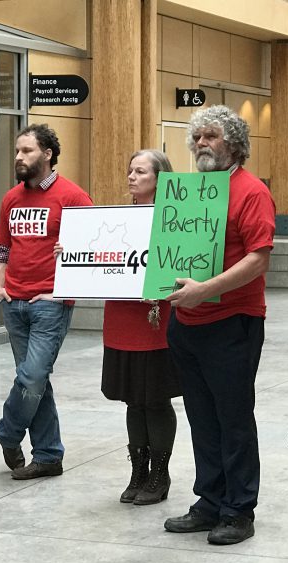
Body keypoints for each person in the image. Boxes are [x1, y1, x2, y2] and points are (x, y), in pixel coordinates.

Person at [162, 105, 276, 545]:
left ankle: (238, 509)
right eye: (198, 137)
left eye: (211, 136)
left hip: (232, 322)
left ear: (234, 143)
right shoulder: (191, 191)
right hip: (187, 321)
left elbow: (259, 259)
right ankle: (209, 500)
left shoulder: (250, 192)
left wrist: (206, 289)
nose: (201, 144)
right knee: (202, 418)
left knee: (233, 419)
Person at [0, 123, 92, 481]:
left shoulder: (73, 197)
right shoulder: (11, 198)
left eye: (27, 151)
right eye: (17, 151)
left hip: (50, 301)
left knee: (32, 377)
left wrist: (63, 292)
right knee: (35, 382)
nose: (19, 157)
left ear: (47, 154)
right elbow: (3, 245)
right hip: (14, 301)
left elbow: (91, 250)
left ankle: (6, 430)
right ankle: (48, 455)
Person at [100, 150, 182, 505]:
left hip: (155, 321)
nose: (131, 177)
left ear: (160, 178)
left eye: (140, 172)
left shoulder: (176, 220)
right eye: (129, 170)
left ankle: (160, 475)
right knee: (133, 400)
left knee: (155, 400)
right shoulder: (117, 219)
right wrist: (69, 252)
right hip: (121, 319)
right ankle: (138, 472)